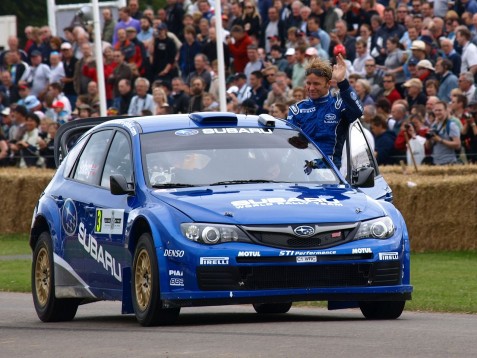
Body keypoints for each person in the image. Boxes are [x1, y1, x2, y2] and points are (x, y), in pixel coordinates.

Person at [287, 54, 364, 168]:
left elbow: (358, 111)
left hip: (330, 172)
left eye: (316, 84)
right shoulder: (297, 109)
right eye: (308, 83)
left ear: (328, 84)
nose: (311, 88)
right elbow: (289, 143)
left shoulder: (338, 105)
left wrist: (342, 82)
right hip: (301, 168)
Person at [425, 101, 461, 165]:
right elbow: (428, 147)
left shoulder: (451, 125)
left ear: (446, 111)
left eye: (440, 110)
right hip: (435, 162)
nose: (437, 112)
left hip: (449, 162)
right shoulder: (434, 125)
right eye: (436, 110)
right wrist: (428, 139)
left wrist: (440, 140)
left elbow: (457, 144)